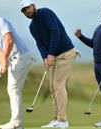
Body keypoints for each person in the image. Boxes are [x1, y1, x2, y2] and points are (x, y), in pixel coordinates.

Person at [20, 0, 78, 128]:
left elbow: (55, 32)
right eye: (24, 10)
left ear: (33, 5)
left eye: (28, 8)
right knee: (52, 87)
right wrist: (45, 57)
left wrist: (50, 53)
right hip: (53, 56)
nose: (27, 11)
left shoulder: (45, 12)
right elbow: (40, 44)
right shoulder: (32, 27)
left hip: (65, 53)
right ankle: (56, 119)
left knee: (58, 86)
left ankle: (63, 121)